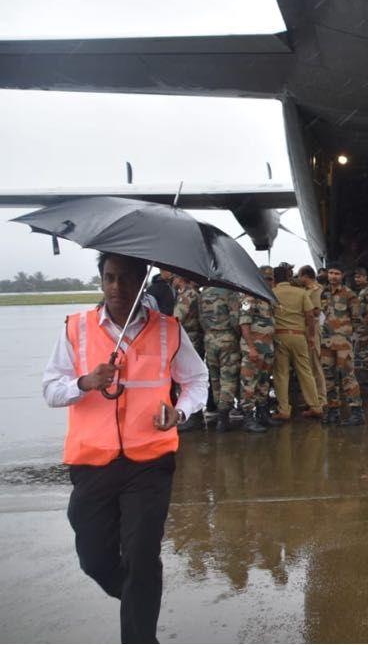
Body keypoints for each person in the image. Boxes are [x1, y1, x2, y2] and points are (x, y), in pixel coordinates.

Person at [42, 253, 208, 643]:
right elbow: (50, 389)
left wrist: (180, 411)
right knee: (95, 559)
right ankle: (138, 593)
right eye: (109, 278)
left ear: (142, 282)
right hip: (92, 461)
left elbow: (198, 380)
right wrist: (85, 382)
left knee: (142, 554)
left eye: (127, 279)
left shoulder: (169, 330)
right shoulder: (76, 328)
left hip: (150, 461)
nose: (117, 287)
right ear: (101, 281)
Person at [270, 265, 323, 422]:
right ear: (289, 278)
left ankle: (284, 410)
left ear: (274, 279)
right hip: (299, 337)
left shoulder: (271, 294)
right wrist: (312, 337)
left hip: (280, 337)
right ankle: (315, 406)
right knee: (305, 371)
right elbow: (310, 317)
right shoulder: (301, 293)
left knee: (281, 374)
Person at [320, 263, 364, 426]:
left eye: (337, 273)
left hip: (343, 342)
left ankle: (356, 411)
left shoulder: (349, 295)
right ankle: (333, 411)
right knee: (328, 376)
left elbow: (357, 319)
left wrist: (352, 338)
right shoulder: (323, 293)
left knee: (347, 376)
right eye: (330, 273)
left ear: (342, 276)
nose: (333, 276)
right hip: (326, 341)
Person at [237, 266, 275, 433]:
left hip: (267, 349)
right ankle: (247, 417)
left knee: (263, 382)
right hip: (253, 349)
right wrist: (251, 348)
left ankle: (262, 412)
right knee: (249, 383)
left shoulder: (267, 299)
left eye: (270, 279)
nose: (268, 282)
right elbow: (244, 324)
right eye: (265, 279)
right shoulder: (249, 298)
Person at [199, 285, 241, 433]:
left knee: (215, 377)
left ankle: (218, 410)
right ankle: (223, 417)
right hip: (227, 338)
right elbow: (235, 319)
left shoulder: (204, 293)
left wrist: (210, 332)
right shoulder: (230, 293)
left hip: (209, 339)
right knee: (228, 377)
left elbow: (201, 318)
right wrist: (237, 335)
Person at [172, 276, 205, 432]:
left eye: (175, 277)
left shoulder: (188, 294)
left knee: (188, 380)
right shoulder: (191, 293)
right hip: (192, 338)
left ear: (180, 279)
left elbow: (176, 318)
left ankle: (194, 417)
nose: (173, 280)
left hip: (190, 339)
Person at [297, 265, 327, 408]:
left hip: (312, 329)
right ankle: (312, 398)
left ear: (305, 276)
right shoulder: (307, 290)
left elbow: (315, 311)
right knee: (308, 365)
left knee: (315, 364)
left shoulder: (315, 290)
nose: (298, 278)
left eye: (299, 276)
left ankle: (321, 399)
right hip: (305, 329)